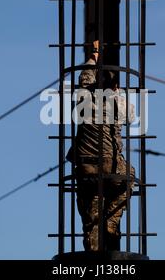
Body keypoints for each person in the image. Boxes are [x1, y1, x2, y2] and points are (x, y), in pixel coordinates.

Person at [67, 40, 135, 252]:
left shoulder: (83, 99)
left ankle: (92, 250)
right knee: (129, 177)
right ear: (114, 86)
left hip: (86, 168)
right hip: (112, 166)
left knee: (91, 216)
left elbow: (85, 77)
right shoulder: (120, 104)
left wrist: (94, 54)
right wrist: (118, 94)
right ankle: (112, 220)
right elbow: (131, 118)